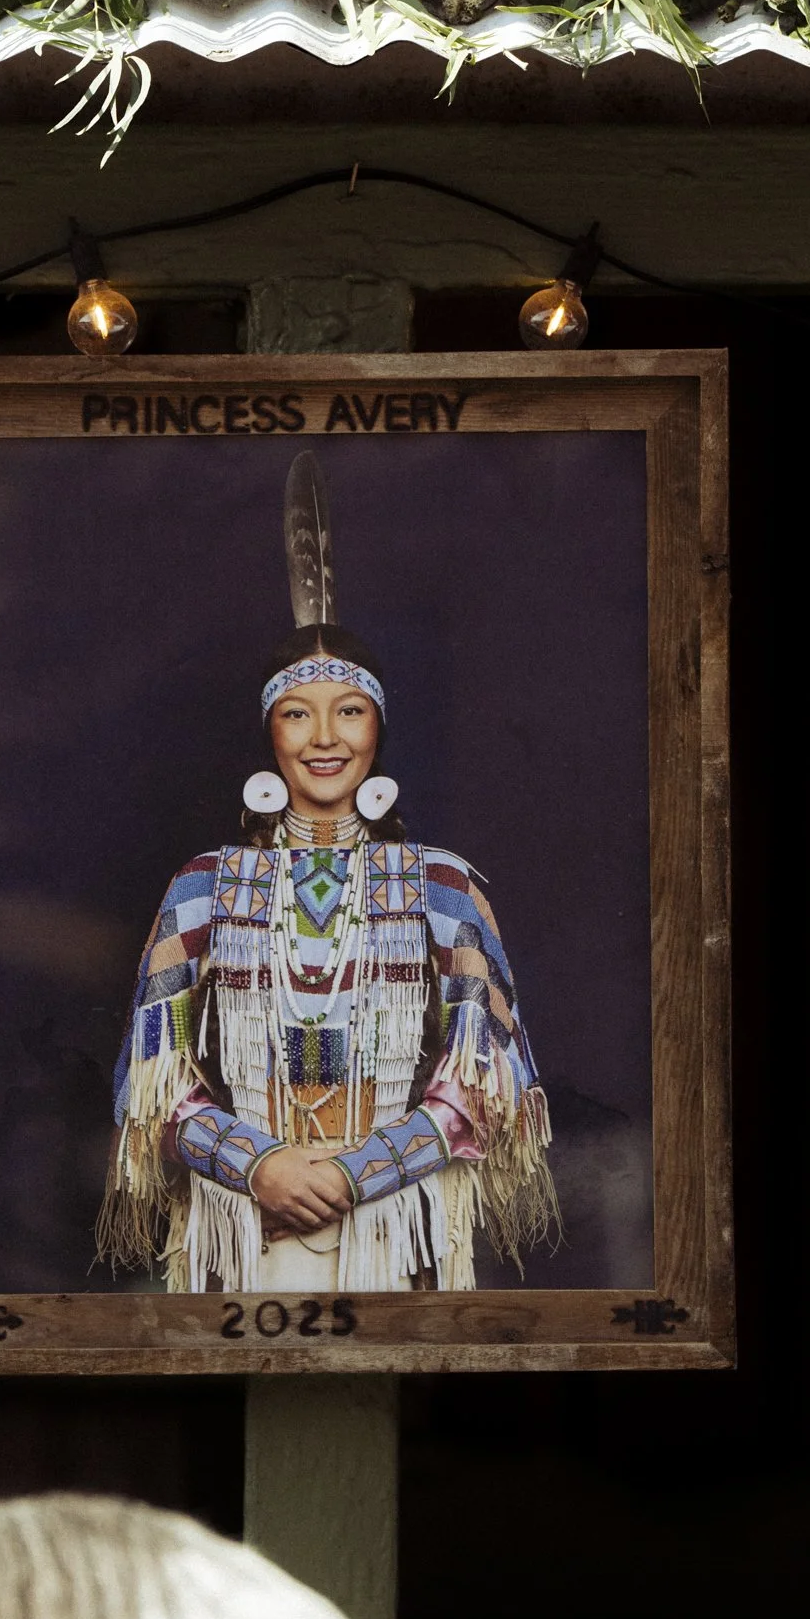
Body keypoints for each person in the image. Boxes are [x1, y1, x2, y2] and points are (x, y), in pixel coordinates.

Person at [96, 461, 557, 1295]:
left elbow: (485, 1082)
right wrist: (260, 1166)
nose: (324, 737)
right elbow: (152, 1086)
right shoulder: (205, 886)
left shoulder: (442, 886)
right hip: (245, 1233)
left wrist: (353, 1177)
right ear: (269, 732)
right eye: (296, 713)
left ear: (378, 727)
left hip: (396, 1231)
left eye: (348, 711)